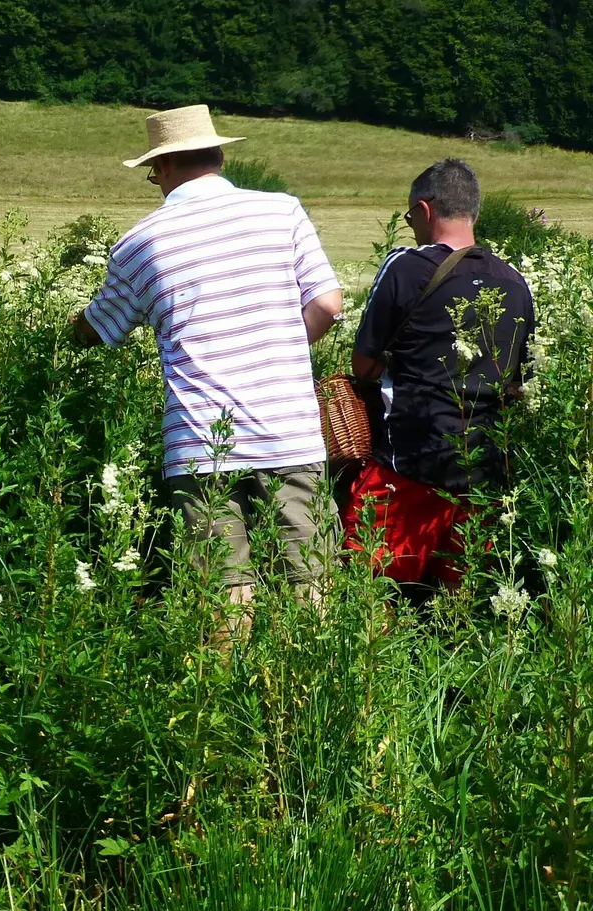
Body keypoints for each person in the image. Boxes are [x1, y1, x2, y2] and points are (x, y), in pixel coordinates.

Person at [72, 105, 345, 618]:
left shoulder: (138, 243)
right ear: (220, 156)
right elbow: (329, 305)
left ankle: (224, 694)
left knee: (222, 597)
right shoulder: (282, 211)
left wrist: (67, 333)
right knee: (309, 587)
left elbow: (100, 329)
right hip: (287, 432)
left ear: (167, 166)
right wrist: (282, 350)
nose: (154, 181)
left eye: (153, 171)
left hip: (199, 445)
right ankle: (309, 694)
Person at [343, 159, 534, 587]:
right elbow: (520, 379)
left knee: (372, 602)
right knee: (460, 614)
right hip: (483, 478)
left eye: (411, 217)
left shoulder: (406, 266)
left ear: (426, 211)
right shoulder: (516, 282)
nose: (411, 226)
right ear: (474, 213)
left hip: (406, 469)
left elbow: (363, 364)